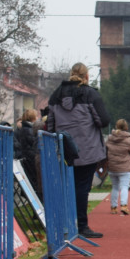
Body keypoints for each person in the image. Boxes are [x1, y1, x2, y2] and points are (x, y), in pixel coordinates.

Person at [45, 62, 110, 239]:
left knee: (66, 187)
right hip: (86, 148)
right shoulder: (90, 94)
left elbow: (50, 124)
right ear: (86, 76)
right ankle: (81, 225)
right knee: (82, 188)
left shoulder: (55, 95)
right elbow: (103, 120)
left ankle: (64, 223)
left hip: (64, 148)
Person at [105, 119, 130, 215]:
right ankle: (124, 205)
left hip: (112, 166)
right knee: (124, 186)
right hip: (124, 166)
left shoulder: (110, 138)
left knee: (115, 187)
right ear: (126, 127)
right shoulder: (129, 139)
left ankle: (113, 207)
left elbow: (105, 148)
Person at [13, 109, 41, 195]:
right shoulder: (27, 129)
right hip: (30, 157)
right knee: (33, 179)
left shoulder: (27, 128)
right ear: (32, 118)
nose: (37, 118)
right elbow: (33, 142)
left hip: (29, 156)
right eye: (36, 116)